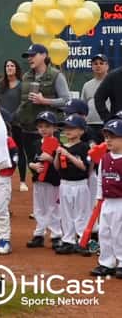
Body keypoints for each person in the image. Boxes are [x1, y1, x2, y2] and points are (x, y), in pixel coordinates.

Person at [16, 44, 70, 193]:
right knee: (34, 165)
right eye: (28, 56)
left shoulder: (56, 75)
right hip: (28, 128)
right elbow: (23, 101)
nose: (30, 58)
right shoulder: (26, 76)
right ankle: (41, 201)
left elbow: (66, 100)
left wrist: (44, 101)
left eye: (33, 55)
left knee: (52, 166)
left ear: (44, 55)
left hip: (49, 130)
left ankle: (56, 201)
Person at [53, 114, 92, 255]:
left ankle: (83, 240)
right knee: (66, 212)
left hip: (79, 184)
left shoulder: (84, 147)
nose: (68, 131)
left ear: (81, 131)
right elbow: (57, 167)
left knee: (81, 213)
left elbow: (84, 167)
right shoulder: (62, 146)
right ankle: (68, 240)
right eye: (66, 128)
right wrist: (57, 154)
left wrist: (68, 155)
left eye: (72, 128)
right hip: (64, 184)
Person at [90, 119, 122, 278]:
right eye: (106, 136)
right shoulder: (104, 158)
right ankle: (106, 262)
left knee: (119, 233)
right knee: (104, 232)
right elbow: (99, 180)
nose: (108, 140)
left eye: (113, 137)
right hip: (107, 201)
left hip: (120, 202)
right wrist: (98, 197)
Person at [26, 111, 63, 250]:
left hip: (52, 182)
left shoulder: (58, 145)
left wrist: (51, 159)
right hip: (38, 181)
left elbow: (60, 167)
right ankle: (39, 234)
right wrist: (33, 166)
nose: (43, 129)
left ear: (54, 128)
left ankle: (56, 235)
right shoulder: (35, 144)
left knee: (53, 208)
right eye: (40, 126)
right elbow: (31, 160)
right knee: (39, 208)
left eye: (47, 126)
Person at [0, 59, 27, 191]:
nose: (9, 68)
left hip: (17, 123)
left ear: (16, 68)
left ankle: (23, 181)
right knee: (0, 150)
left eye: (12, 65)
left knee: (19, 151)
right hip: (2, 124)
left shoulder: (22, 85)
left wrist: (14, 117)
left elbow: (23, 103)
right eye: (7, 66)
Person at [0, 109, 19, 255]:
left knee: (0, 210)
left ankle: (4, 240)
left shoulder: (8, 141)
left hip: (1, 179)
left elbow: (12, 163)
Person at [82, 54, 110, 143]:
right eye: (95, 63)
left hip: (108, 124)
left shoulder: (114, 82)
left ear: (107, 66)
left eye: (101, 63)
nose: (98, 65)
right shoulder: (87, 85)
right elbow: (83, 105)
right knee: (91, 153)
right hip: (90, 125)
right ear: (92, 66)